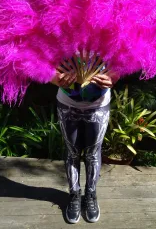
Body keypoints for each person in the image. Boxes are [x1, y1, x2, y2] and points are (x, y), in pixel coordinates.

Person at [52, 66, 118, 224]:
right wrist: (53, 77)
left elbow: (128, 55)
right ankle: (74, 194)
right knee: (71, 152)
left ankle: (90, 194)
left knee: (93, 153)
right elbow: (37, 58)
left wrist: (114, 75)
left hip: (99, 104)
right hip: (67, 102)